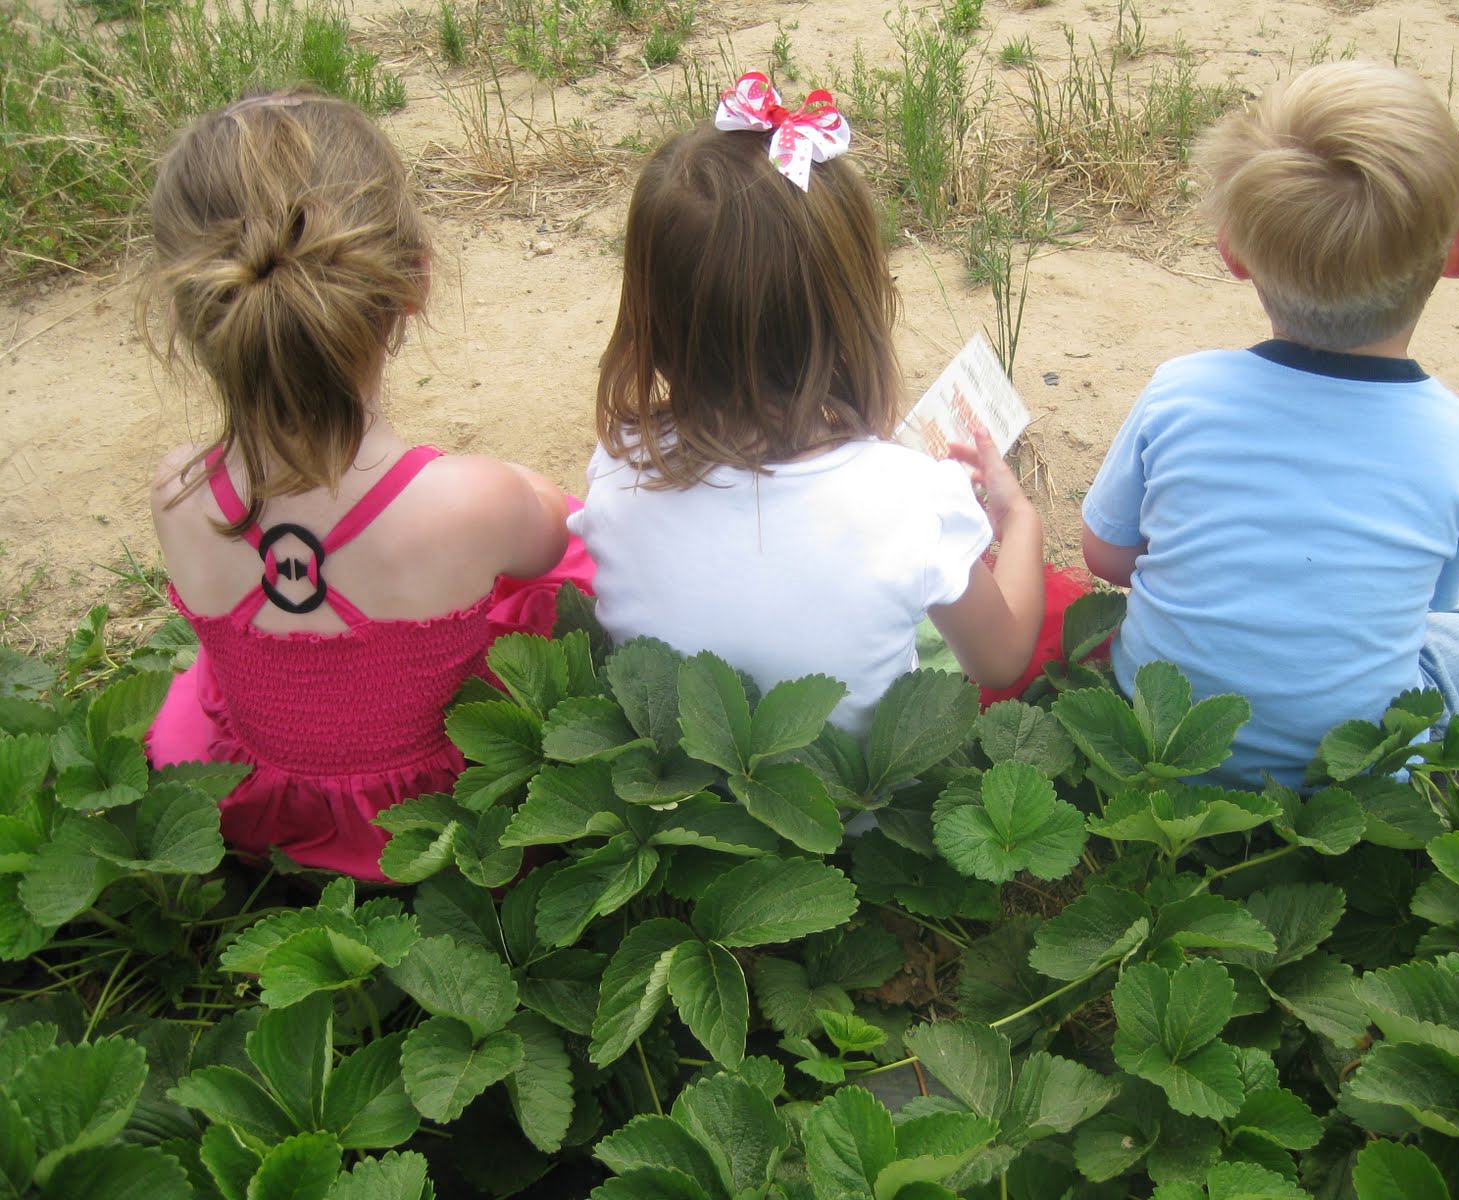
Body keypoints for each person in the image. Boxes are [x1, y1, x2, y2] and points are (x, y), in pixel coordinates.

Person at [141, 88, 592, 879]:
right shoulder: (468, 501)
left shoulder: (180, 490)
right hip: (443, 817)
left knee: (202, 686)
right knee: (558, 590)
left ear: (190, 315)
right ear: (414, 283)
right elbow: (573, 542)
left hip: (258, 804)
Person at [1080, 61, 1459, 790]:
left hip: (1164, 734)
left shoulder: (1182, 390)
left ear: (1232, 253)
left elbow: (1107, 558)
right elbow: (1429, 606)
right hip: (1351, 766)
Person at [570, 72, 1051, 738]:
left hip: (686, 799)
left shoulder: (620, 465)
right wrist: (1019, 519)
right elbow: (1001, 660)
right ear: (852, 313)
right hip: (858, 816)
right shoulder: (915, 501)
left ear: (652, 318)